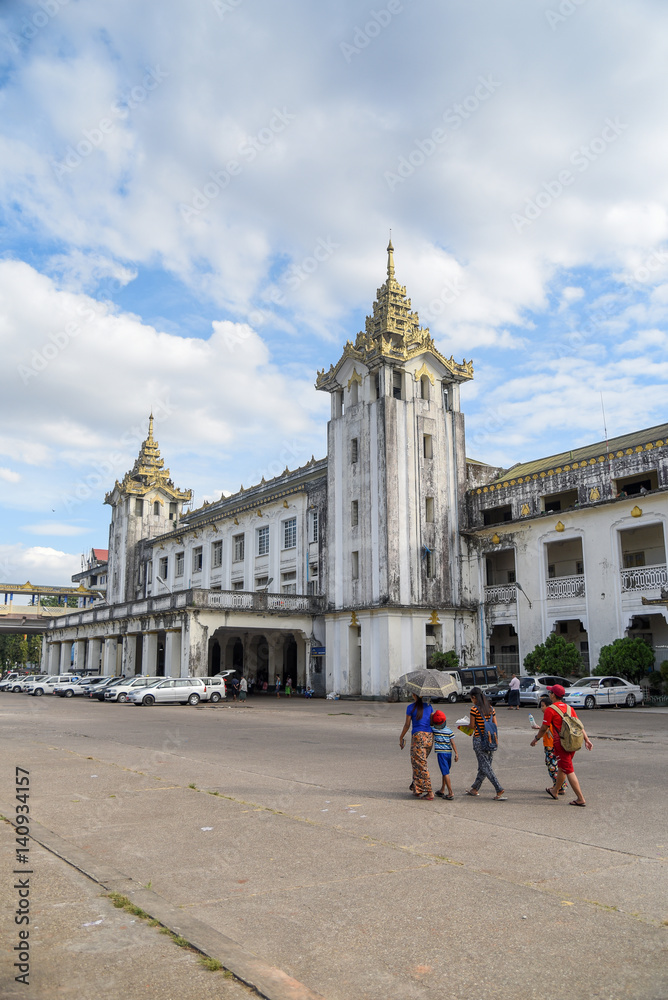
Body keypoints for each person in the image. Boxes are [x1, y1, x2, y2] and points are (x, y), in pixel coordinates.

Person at [530, 684, 592, 806]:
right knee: (563, 767)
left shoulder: (550, 709)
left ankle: (580, 798)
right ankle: (555, 790)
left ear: (553, 695)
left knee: (568, 770)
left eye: (550, 693)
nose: (549, 694)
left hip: (561, 743)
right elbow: (579, 726)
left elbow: (543, 728)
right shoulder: (569, 708)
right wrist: (586, 739)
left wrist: (536, 738)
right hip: (572, 742)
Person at [466, 687, 506, 800]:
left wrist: (463, 725)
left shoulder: (474, 709)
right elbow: (495, 724)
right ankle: (475, 788)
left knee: (485, 766)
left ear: (474, 697)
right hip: (491, 739)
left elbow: (472, 726)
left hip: (479, 739)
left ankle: (499, 788)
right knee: (484, 765)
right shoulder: (491, 708)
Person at [399, 694, 435, 800]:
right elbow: (432, 722)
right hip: (429, 737)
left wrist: (401, 737)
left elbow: (407, 725)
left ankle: (429, 792)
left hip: (418, 737)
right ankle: (417, 788)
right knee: (418, 763)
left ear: (414, 695)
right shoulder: (429, 706)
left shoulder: (410, 707)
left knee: (420, 764)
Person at [531, 695, 564, 794]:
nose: (541, 708)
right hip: (552, 744)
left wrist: (536, 739)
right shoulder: (553, 714)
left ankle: (558, 786)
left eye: (543, 706)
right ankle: (560, 785)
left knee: (552, 766)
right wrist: (539, 728)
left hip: (551, 744)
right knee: (554, 765)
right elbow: (546, 728)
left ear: (549, 706)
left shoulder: (550, 714)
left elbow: (546, 729)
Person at [430, 710, 458, 799]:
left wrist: (432, 716)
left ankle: (450, 792)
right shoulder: (449, 731)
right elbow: (453, 743)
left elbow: (430, 723)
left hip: (441, 754)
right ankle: (442, 789)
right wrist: (456, 753)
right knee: (445, 771)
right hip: (449, 753)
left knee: (445, 773)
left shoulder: (434, 730)